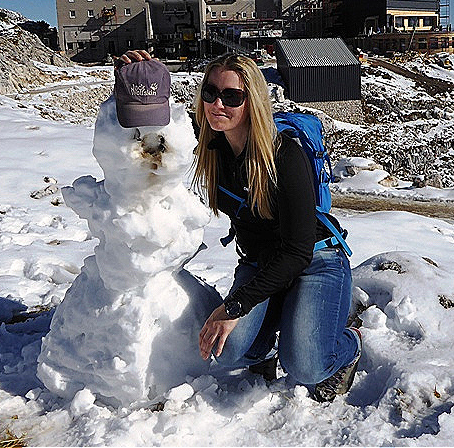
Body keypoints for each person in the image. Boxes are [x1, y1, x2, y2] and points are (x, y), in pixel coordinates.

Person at [118, 50, 361, 402]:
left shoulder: (284, 156)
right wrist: (133, 79)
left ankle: (349, 343)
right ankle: (273, 338)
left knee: (305, 367)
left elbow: (297, 252)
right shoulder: (210, 140)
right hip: (261, 263)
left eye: (232, 96)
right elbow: (148, 128)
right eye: (210, 92)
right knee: (227, 351)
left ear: (253, 102)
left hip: (313, 260)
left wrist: (235, 307)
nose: (218, 104)